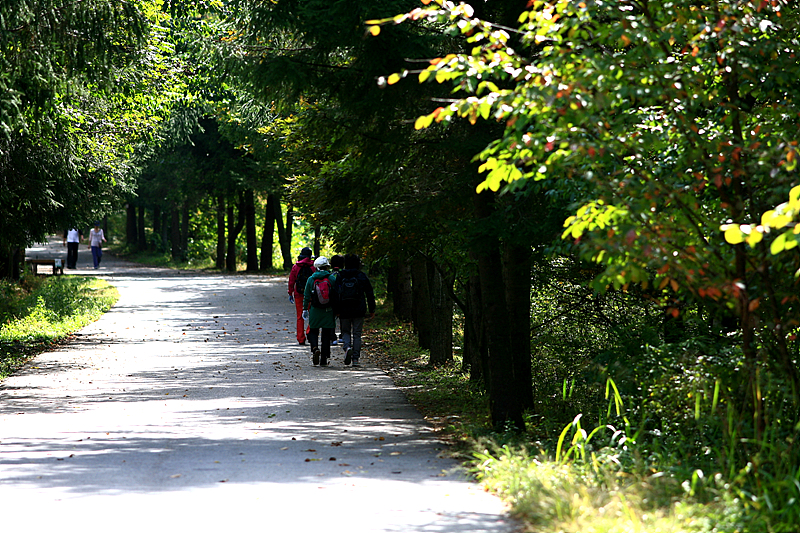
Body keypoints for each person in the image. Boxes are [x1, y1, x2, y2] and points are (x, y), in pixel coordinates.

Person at [334, 253, 376, 367]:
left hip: (344, 309)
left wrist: (336, 309)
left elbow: (336, 294)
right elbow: (369, 293)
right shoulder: (361, 275)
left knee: (345, 331)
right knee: (357, 334)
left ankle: (347, 347)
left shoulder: (340, 275)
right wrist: (372, 309)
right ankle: (356, 359)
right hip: (359, 308)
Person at [303, 256, 337, 366]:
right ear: (327, 266)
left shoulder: (311, 279)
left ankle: (315, 348)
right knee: (326, 334)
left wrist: (305, 309)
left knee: (313, 331)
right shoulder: (331, 279)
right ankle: (324, 358)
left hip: (315, 310)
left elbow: (306, 296)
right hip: (328, 310)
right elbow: (336, 295)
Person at [287, 247, 315, 345]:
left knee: (300, 316)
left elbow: (291, 281)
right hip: (311, 295)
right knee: (312, 314)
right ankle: (309, 333)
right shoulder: (313, 266)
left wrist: (290, 293)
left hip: (299, 294)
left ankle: (300, 338)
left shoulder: (296, 267)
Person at [329, 255, 345, 345]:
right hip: (343, 300)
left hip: (332, 300)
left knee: (331, 318)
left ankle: (332, 337)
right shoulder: (344, 274)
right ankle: (343, 336)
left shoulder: (330, 274)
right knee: (343, 318)